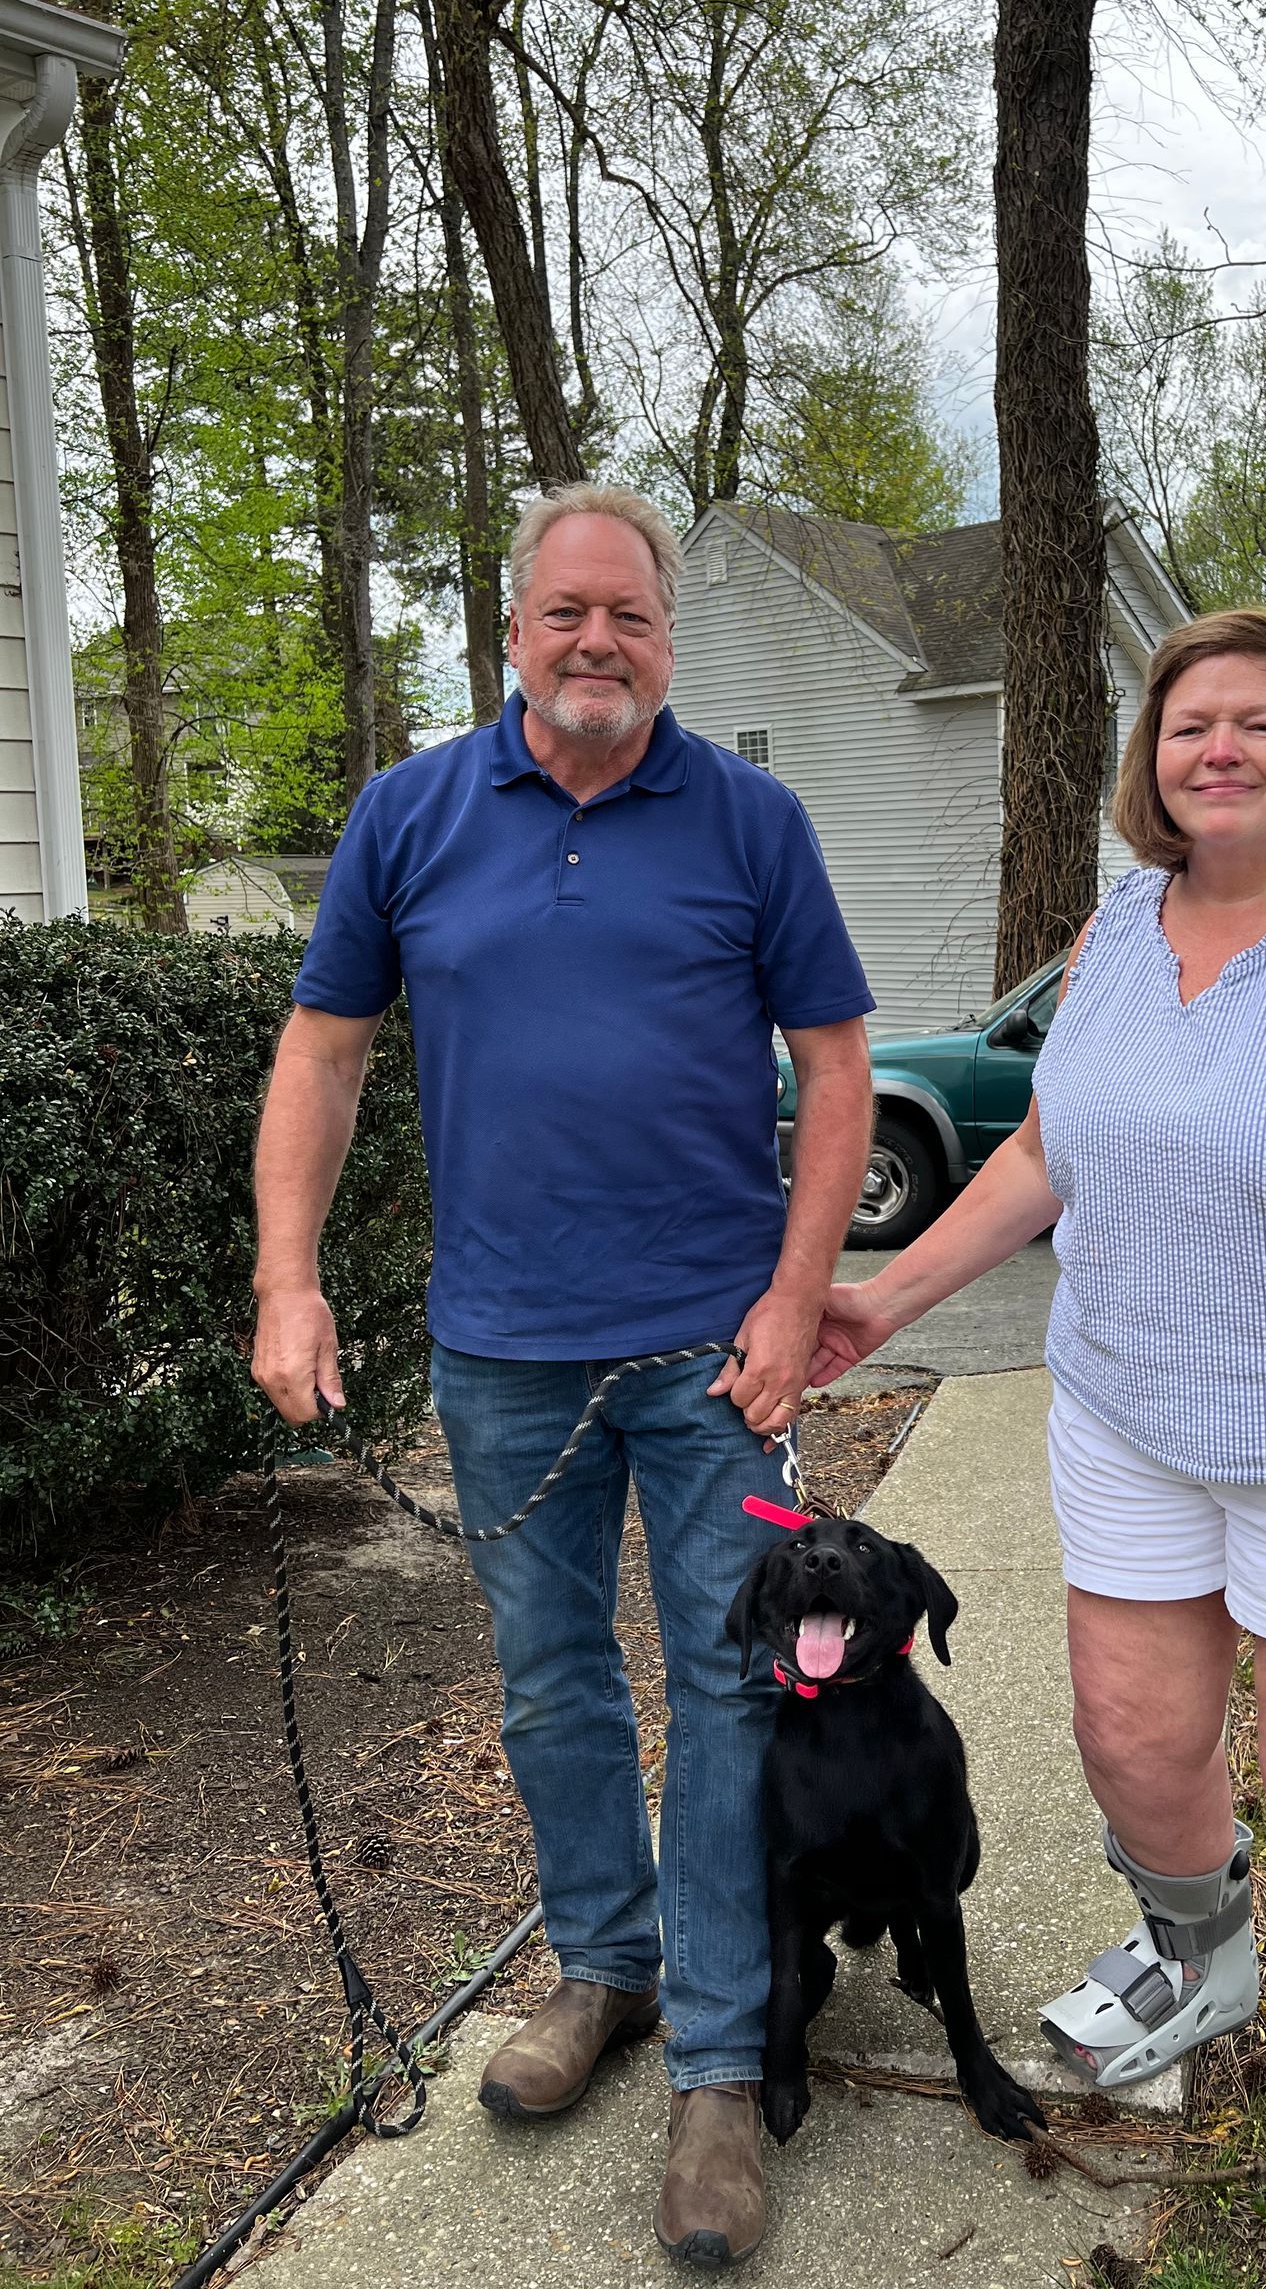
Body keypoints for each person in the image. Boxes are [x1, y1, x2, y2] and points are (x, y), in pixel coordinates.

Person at [808, 607, 1266, 2289]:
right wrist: (885, 1297)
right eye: (1189, 722)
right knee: (1135, 1747)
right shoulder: (1120, 927)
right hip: (1135, 1425)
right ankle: (1197, 1958)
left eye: (1258, 726)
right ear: (1152, 758)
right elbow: (1059, 1145)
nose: (1219, 747)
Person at [251, 483, 875, 2270]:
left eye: (632, 616)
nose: (597, 641)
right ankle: (601, 1970)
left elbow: (835, 1073)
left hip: (717, 1364)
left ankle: (722, 2066)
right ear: (512, 630)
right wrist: (287, 1279)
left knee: (739, 1685)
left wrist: (795, 1293)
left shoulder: (751, 820)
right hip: (502, 1356)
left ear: (669, 638)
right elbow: (325, 1052)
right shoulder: (411, 815)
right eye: (565, 613)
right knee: (549, 1683)